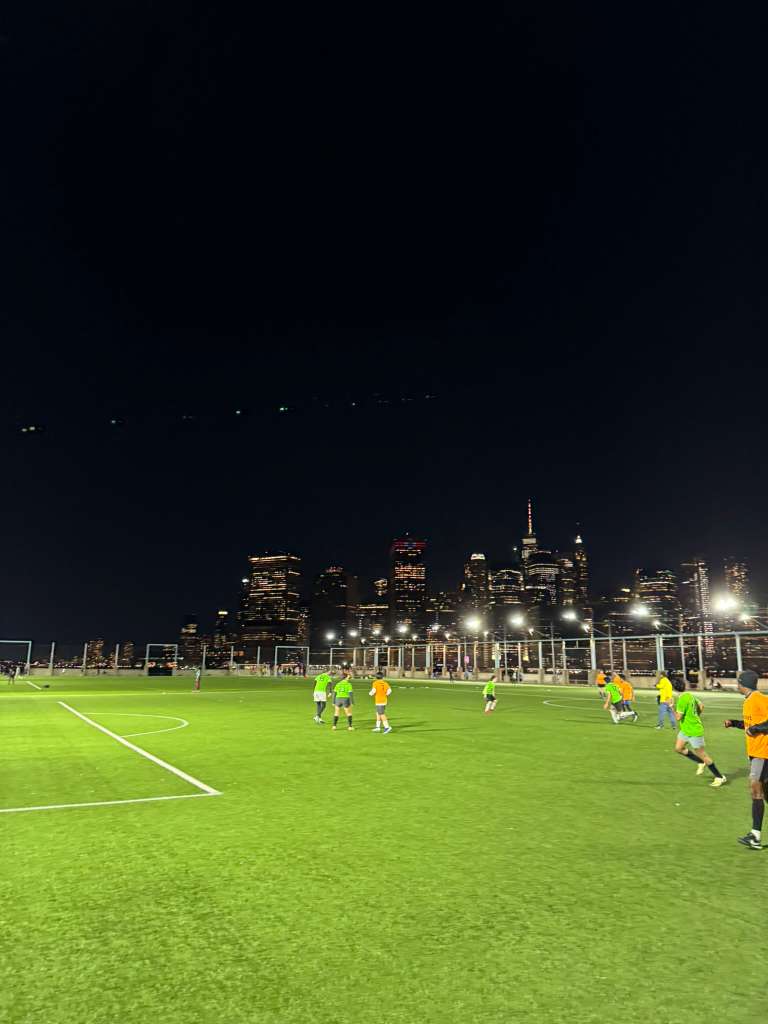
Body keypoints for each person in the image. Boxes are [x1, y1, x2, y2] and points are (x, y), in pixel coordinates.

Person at [724, 669, 768, 849]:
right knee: (765, 793)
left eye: (738, 683)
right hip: (755, 753)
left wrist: (756, 729)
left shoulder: (759, 699)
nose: (737, 685)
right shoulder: (748, 701)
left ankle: (755, 837)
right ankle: (755, 836)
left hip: (763, 753)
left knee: (755, 789)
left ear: (744, 684)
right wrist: (734, 723)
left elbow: (756, 726)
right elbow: (750, 724)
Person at [673, 679, 726, 787]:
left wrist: (671, 707)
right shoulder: (690, 695)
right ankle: (700, 762)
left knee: (704, 755)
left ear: (674, 688)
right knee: (678, 748)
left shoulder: (682, 700)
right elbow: (701, 706)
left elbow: (678, 717)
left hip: (694, 731)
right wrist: (696, 716)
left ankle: (719, 777)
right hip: (686, 730)